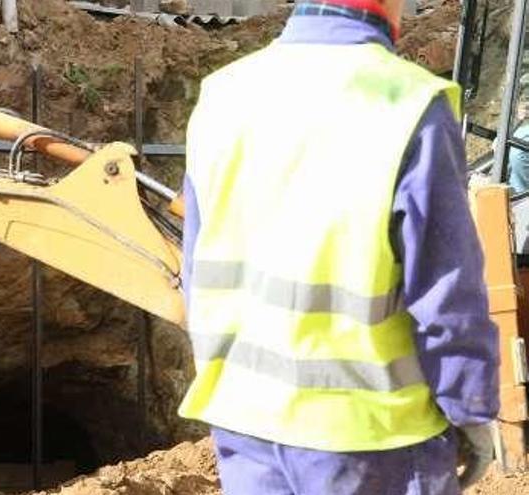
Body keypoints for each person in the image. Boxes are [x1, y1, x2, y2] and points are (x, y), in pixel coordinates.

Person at [178, 0, 500, 493]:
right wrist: (471, 409)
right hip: (371, 438)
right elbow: (446, 294)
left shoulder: (222, 95)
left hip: (245, 426)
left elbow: (196, 272)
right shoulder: (409, 102)